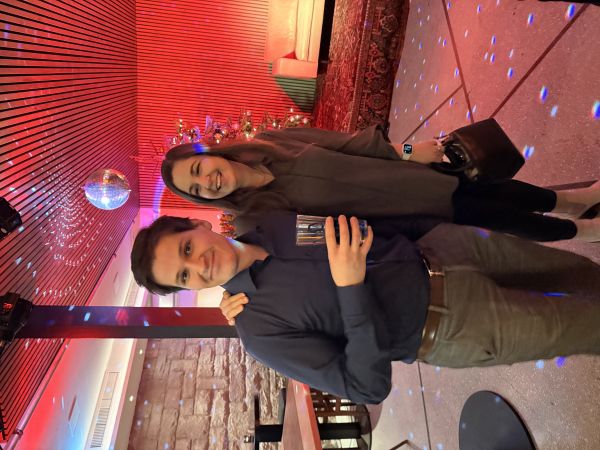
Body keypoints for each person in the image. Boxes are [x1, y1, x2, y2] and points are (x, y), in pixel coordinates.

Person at [130, 211, 600, 404]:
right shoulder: (260, 331)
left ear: (197, 225)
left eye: (187, 249)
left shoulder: (272, 226)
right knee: (587, 325)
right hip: (455, 325)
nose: (200, 265)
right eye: (184, 276)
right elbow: (366, 386)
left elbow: (354, 230)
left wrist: (433, 231)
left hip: (452, 250)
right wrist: (349, 287)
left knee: (578, 273)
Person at [160, 126, 600, 242]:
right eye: (195, 190)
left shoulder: (270, 142)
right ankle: (581, 231)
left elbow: (349, 144)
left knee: (503, 190)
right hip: (415, 215)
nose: (206, 182)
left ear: (208, 154)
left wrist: (408, 151)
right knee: (506, 220)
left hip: (413, 175)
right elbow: (328, 238)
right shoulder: (257, 219)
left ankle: (573, 201)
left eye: (197, 169)